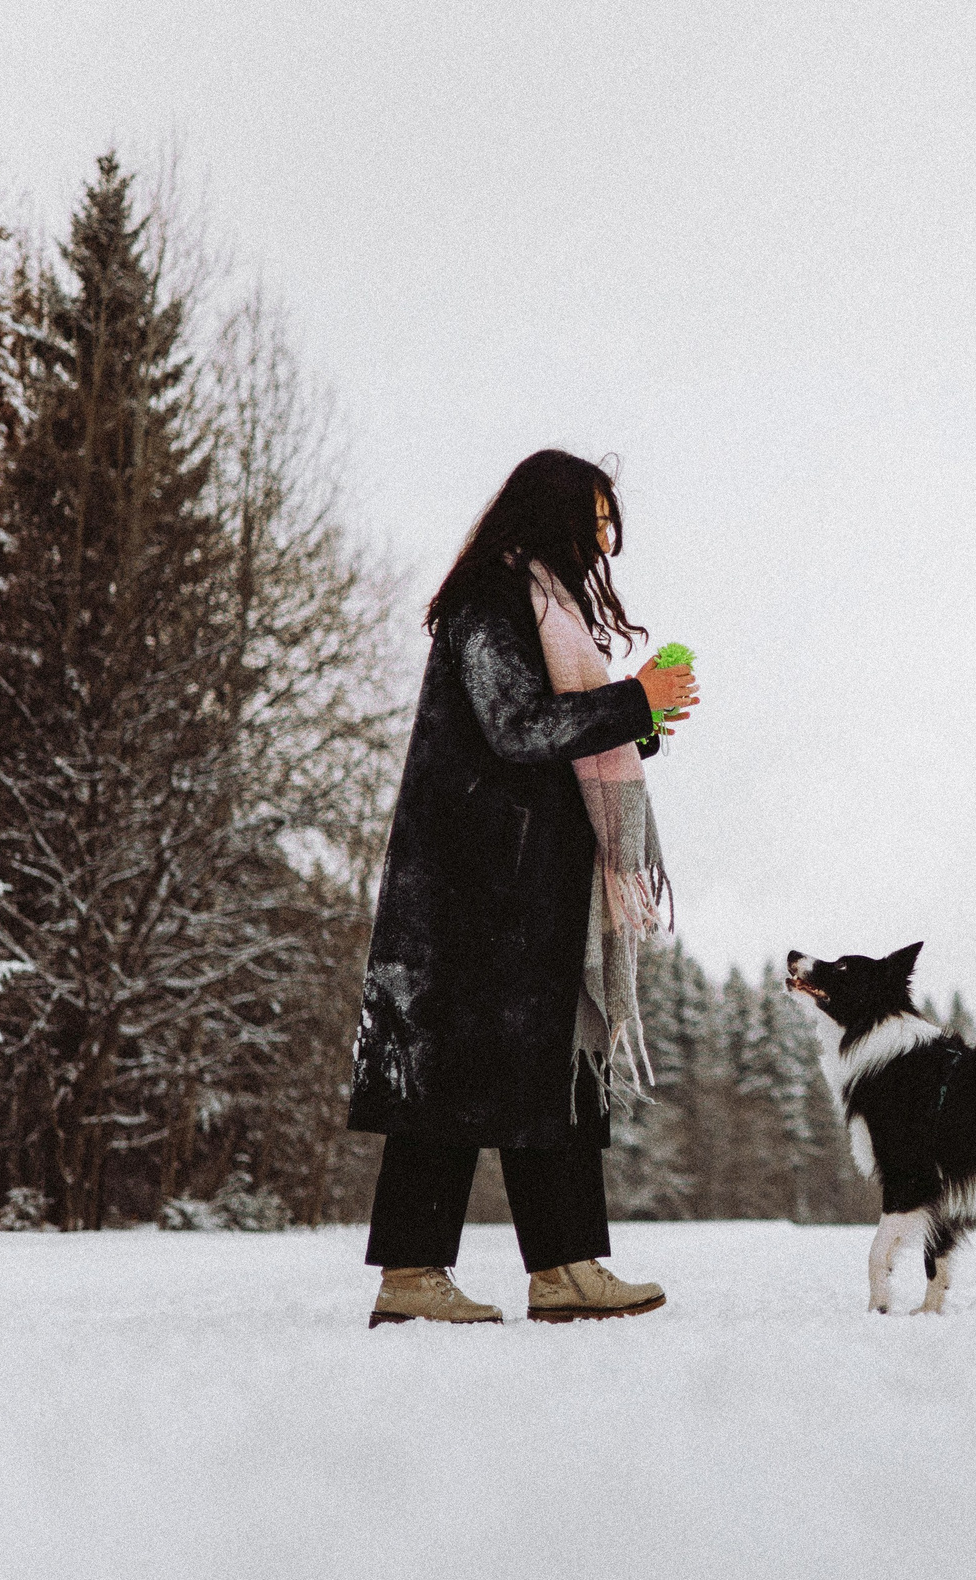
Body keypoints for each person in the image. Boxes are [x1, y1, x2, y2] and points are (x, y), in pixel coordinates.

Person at [346, 449, 700, 1326]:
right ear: (550, 516)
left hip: (530, 891)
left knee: (556, 1066)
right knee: (444, 1076)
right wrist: (631, 701)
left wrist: (640, 717)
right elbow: (514, 726)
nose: (607, 539)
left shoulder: (548, 605)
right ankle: (411, 1276)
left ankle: (567, 1270)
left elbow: (553, 739)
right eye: (597, 518)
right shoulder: (489, 602)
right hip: (465, 894)